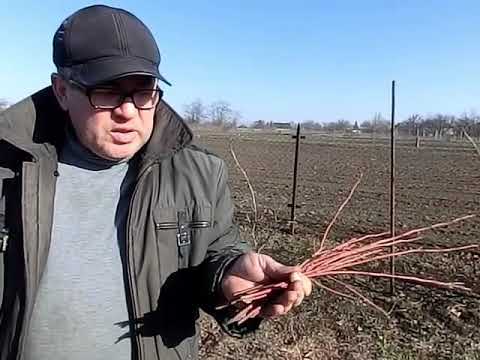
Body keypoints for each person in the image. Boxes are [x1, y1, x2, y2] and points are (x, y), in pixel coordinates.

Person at [0, 5, 311, 360]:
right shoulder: (8, 168)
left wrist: (230, 276)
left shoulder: (199, 174)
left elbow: (216, 254)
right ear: (61, 91)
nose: (128, 111)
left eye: (143, 90)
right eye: (106, 90)